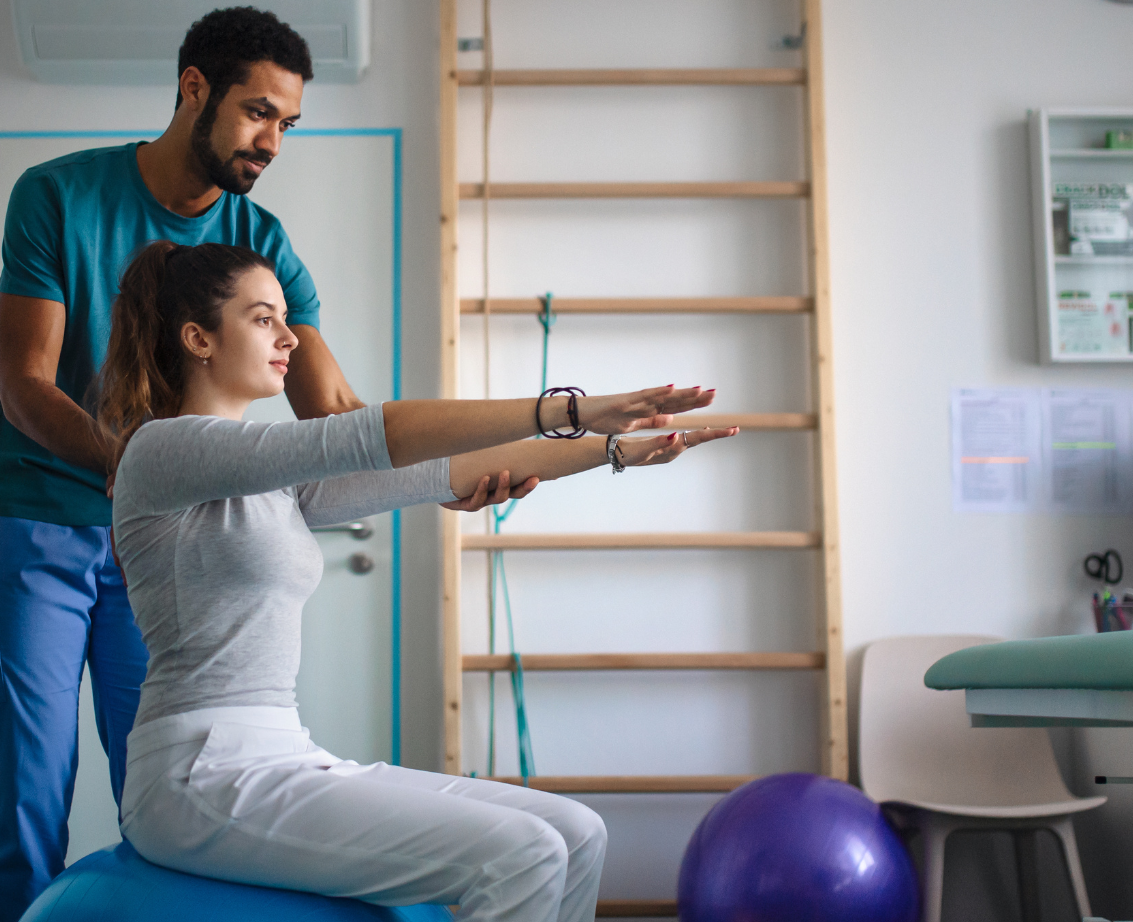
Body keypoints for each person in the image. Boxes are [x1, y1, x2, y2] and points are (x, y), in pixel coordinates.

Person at [0, 8, 529, 921]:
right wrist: (145, 466)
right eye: (260, 113)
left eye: (288, 124)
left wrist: (438, 477)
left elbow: (335, 419)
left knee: (161, 788)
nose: (274, 140)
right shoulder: (56, 195)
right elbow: (26, 385)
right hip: (33, 517)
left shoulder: (260, 246)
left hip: (166, 542)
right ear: (194, 90)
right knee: (26, 796)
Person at [99, 241, 737, 922]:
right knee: (522, 852)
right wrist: (572, 410)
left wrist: (614, 450)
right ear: (198, 337)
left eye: (285, 318)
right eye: (263, 320)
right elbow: (384, 434)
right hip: (199, 773)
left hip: (282, 752)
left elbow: (445, 471)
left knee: (579, 832)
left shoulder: (268, 478)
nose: (290, 337)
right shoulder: (161, 451)